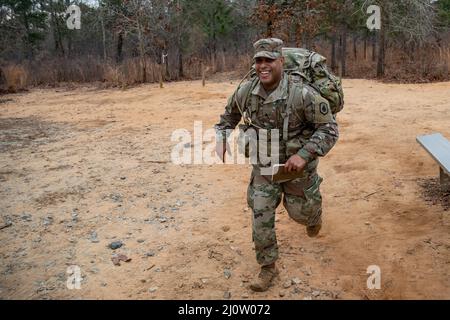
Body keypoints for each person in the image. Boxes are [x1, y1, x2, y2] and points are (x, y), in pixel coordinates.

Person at [214, 38, 340, 292]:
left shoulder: (302, 94)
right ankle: (267, 267)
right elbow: (227, 117)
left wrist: (304, 155)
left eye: (269, 60)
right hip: (264, 167)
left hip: (297, 168)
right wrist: (221, 136)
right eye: (258, 60)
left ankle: (313, 213)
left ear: (280, 61)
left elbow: (329, 128)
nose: (263, 66)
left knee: (301, 214)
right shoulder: (247, 90)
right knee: (261, 216)